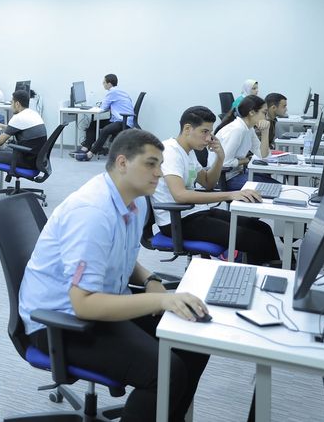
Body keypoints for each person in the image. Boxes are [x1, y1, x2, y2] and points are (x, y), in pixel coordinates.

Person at [19, 129, 209, 422]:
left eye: (160, 165)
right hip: (60, 320)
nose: (159, 173)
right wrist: (161, 301)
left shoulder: (134, 200)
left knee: (194, 341)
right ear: (122, 163)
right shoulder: (93, 212)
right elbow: (83, 304)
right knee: (165, 372)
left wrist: (149, 280)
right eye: (150, 164)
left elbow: (121, 255)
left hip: (104, 300)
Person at [152, 106, 280, 266]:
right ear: (187, 129)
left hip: (194, 212)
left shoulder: (188, 152)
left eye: (210, 132)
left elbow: (208, 183)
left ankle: (282, 272)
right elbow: (180, 195)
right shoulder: (170, 152)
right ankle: (266, 275)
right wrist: (230, 194)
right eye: (204, 132)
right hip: (177, 221)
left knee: (262, 228)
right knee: (254, 240)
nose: (208, 138)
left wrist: (220, 157)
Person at [212, 95, 274, 190]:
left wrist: (265, 131)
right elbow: (225, 163)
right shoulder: (237, 130)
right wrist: (246, 160)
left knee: (276, 185)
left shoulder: (248, 128)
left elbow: (263, 155)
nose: (266, 117)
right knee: (271, 187)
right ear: (252, 112)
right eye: (264, 113)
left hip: (238, 173)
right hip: (226, 179)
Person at [78, 74, 135, 160]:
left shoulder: (112, 92)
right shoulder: (119, 91)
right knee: (93, 124)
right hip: (120, 119)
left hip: (123, 121)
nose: (103, 84)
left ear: (109, 84)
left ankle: (90, 154)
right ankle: (86, 147)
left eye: (104, 82)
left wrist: (100, 106)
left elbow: (103, 107)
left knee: (105, 130)